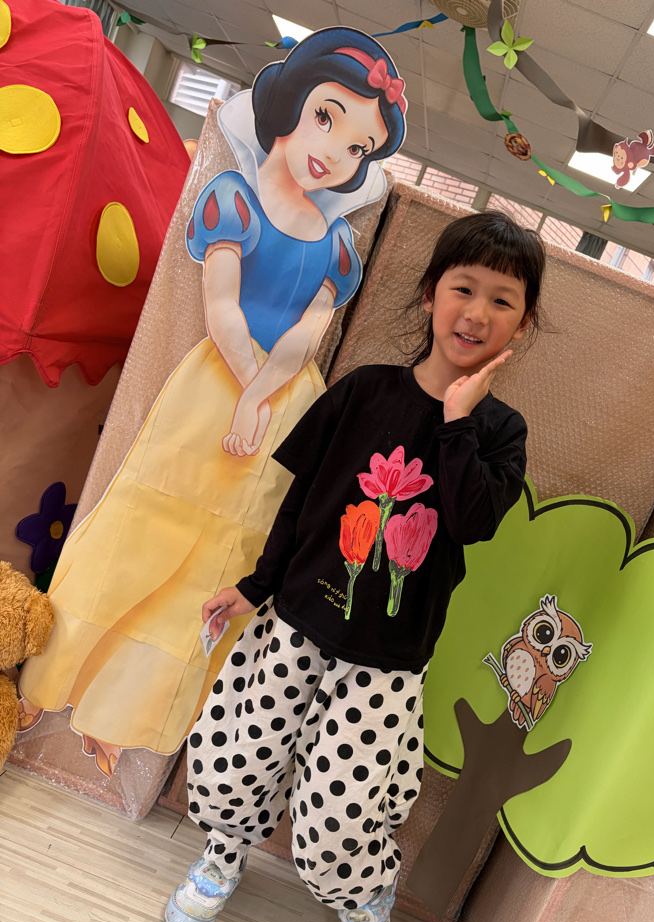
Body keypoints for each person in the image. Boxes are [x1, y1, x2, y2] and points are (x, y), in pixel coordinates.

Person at [18, 27, 406, 778]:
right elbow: (221, 305)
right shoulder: (232, 199)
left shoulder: (338, 244)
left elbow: (310, 334)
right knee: (140, 524)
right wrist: (247, 389)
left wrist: (261, 396)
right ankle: (47, 680)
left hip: (284, 402)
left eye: (358, 146)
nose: (334, 151)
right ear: (290, 105)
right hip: (210, 388)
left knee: (221, 561)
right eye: (327, 117)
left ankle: (125, 720)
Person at [165, 211, 547, 922]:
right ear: (431, 293)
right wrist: (254, 586)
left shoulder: (501, 432)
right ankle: (221, 854)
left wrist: (457, 422)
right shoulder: (363, 390)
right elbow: (301, 503)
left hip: (387, 661)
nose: (476, 313)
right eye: (463, 288)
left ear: (523, 324)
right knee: (241, 760)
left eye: (502, 300)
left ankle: (365, 891)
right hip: (296, 625)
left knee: (340, 816)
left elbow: (471, 521)